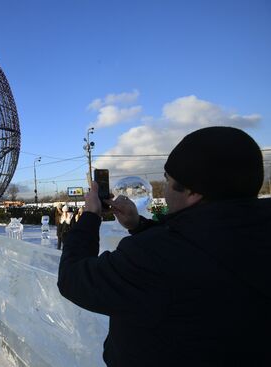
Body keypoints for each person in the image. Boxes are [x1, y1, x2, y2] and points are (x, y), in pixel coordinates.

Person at [58, 127, 271, 366]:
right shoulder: (257, 235)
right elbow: (200, 243)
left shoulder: (152, 258)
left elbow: (72, 278)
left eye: (168, 180)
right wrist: (139, 225)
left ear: (192, 192)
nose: (165, 188)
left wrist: (90, 215)